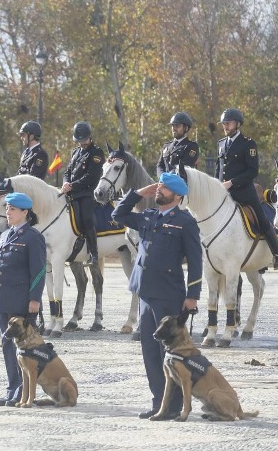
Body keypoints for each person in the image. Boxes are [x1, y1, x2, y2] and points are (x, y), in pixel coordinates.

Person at [112, 172, 202, 420]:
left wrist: (192, 295)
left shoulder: (185, 222)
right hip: (145, 293)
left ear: (178, 195)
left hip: (169, 294)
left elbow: (196, 261)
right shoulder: (148, 216)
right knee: (150, 351)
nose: (159, 191)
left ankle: (173, 406)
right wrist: (139, 193)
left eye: (165, 188)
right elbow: (117, 214)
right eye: (159, 187)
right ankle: (158, 402)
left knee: (169, 353)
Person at [0, 192, 46, 407]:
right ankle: (12, 388)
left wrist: (35, 299)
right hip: (3, 300)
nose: (8, 212)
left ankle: (22, 391)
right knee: (7, 346)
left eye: (12, 209)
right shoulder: (5, 235)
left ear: (25, 212)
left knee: (24, 349)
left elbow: (39, 271)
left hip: (21, 301)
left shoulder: (33, 237)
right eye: (7, 208)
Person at [216, 108, 278, 269]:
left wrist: (231, 182)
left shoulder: (248, 143)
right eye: (224, 124)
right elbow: (218, 169)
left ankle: (276, 254)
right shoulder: (221, 143)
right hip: (224, 193)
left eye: (228, 123)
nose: (225, 126)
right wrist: (217, 186)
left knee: (263, 220)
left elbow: (252, 171)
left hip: (244, 192)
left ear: (237, 124)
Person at [61, 121, 104, 264]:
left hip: (87, 193)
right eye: (79, 141)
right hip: (71, 192)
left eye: (84, 140)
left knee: (86, 217)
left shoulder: (96, 153)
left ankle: (94, 253)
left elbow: (92, 176)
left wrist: (72, 185)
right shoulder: (75, 152)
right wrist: (66, 183)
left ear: (90, 137)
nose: (82, 143)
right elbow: (67, 171)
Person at [156, 112, 199, 177]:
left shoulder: (191, 146)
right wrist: (162, 177)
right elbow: (160, 165)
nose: (174, 128)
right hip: (164, 182)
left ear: (185, 128)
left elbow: (185, 168)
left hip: (181, 183)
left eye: (177, 126)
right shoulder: (166, 146)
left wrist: (168, 178)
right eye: (173, 125)